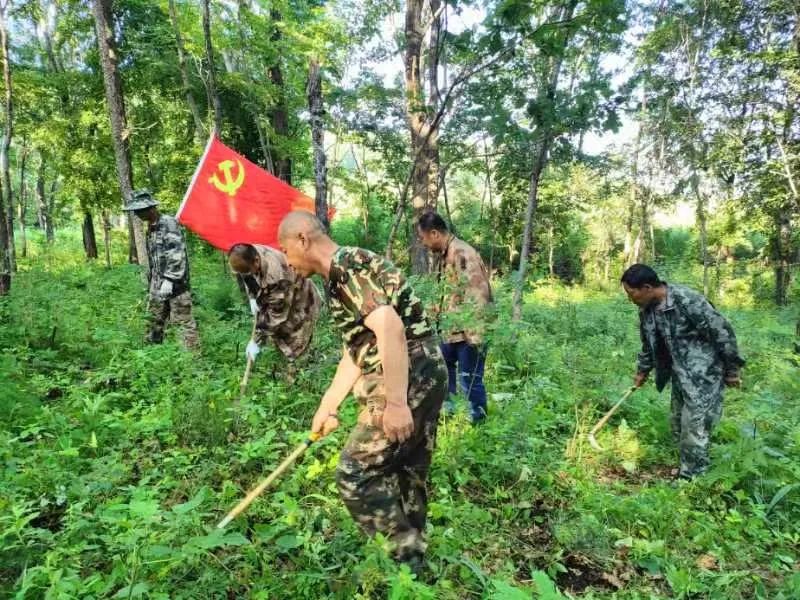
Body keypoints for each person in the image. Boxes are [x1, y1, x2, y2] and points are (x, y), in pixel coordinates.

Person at [278, 211, 447, 571]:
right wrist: (329, 404)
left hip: (408, 373)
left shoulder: (345, 268)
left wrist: (397, 403)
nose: (288, 262)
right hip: (423, 368)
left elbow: (390, 328)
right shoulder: (345, 269)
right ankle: (416, 571)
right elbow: (360, 348)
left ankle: (407, 561)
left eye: (286, 250)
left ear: (303, 239)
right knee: (405, 471)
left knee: (355, 472)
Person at [621, 264, 744, 480]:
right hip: (680, 376)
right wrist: (642, 371)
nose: (630, 299)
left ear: (647, 287)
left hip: (704, 375)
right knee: (678, 424)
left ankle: (693, 481)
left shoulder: (688, 301)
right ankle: (688, 466)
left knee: (694, 428)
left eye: (632, 293)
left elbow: (722, 332)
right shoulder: (647, 310)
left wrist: (732, 370)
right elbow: (648, 343)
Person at [417, 212, 493, 424]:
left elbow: (478, 294)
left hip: (469, 333)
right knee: (443, 371)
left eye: (423, 238)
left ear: (434, 233)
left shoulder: (462, 253)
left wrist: (476, 336)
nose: (423, 243)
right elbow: (450, 293)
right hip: (450, 331)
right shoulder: (446, 254)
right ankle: (446, 415)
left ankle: (478, 424)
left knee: (470, 380)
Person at [126, 190, 198, 349]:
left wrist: (170, 280)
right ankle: (152, 355)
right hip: (157, 284)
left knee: (183, 323)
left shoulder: (168, 223)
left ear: (151, 208)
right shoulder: (151, 228)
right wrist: (154, 282)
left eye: (140, 210)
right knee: (153, 320)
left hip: (176, 285)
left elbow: (176, 253)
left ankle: (191, 364)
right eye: (136, 211)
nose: (137, 214)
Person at [228, 243, 321, 363]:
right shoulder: (248, 253)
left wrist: (256, 341)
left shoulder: (274, 276)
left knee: (298, 343)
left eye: (248, 271)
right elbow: (247, 277)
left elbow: (275, 315)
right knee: (280, 336)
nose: (247, 275)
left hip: (300, 301)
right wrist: (252, 297)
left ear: (256, 261)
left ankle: (304, 366)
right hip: (279, 296)